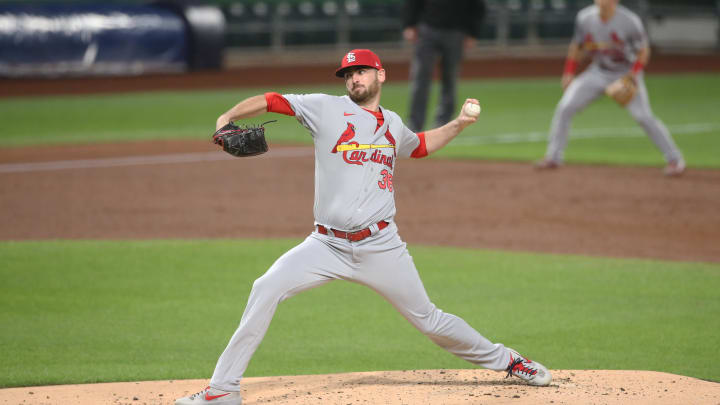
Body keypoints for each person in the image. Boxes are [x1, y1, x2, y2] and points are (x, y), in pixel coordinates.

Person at [175, 49, 551, 405]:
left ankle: (510, 361)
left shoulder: (392, 123)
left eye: (361, 71)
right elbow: (273, 100)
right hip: (325, 245)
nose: (354, 78)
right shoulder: (325, 108)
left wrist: (460, 124)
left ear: (379, 75)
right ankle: (223, 390)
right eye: (349, 73)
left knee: (430, 319)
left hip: (381, 246)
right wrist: (227, 117)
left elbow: (417, 146)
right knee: (265, 288)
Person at [536, 0, 685, 176]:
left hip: (626, 74)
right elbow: (577, 47)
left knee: (643, 116)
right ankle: (554, 157)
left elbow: (644, 51)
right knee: (565, 107)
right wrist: (568, 73)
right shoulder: (585, 18)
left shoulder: (630, 21)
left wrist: (633, 74)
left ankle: (675, 159)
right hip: (597, 72)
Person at [402, 0, 486, 132]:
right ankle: (414, 125)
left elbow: (478, 6)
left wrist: (472, 33)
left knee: (450, 79)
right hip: (428, 28)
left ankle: (443, 124)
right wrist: (409, 24)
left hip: (456, 31)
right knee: (420, 78)